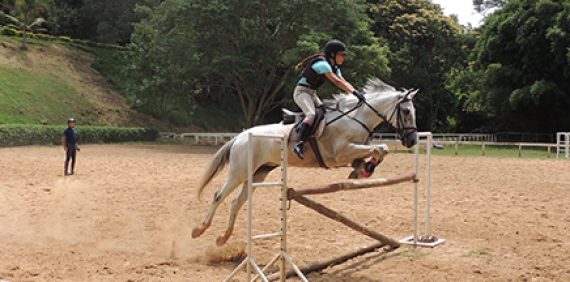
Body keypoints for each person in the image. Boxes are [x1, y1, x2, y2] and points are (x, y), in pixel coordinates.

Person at [292, 39, 366, 159]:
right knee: (311, 114)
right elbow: (336, 82)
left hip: (312, 94)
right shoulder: (322, 64)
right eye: (342, 54)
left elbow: (343, 81)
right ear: (332, 54)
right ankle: (298, 143)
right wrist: (354, 93)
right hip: (301, 92)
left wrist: (356, 92)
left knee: (324, 113)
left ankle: (316, 141)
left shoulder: (335, 67)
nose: (344, 57)